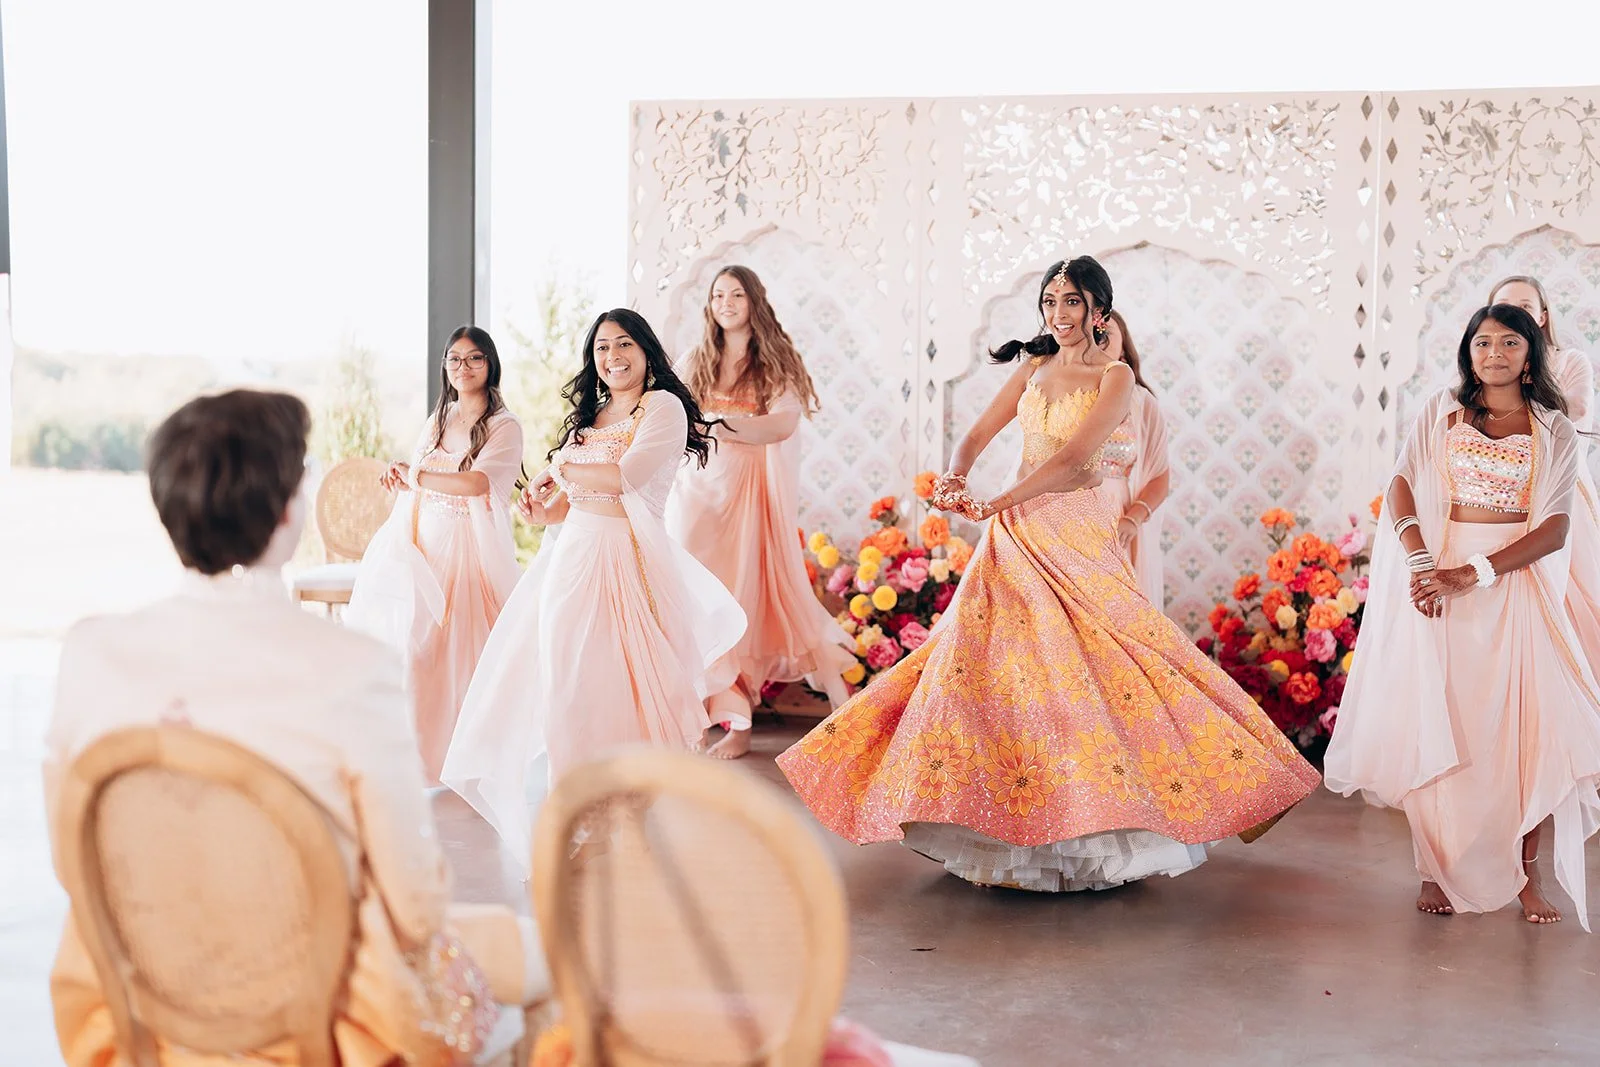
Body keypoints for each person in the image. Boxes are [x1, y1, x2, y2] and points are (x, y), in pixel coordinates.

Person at [777, 258, 1321, 891]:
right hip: (1015, 533)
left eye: (1073, 302)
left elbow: (1070, 461)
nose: (1059, 315)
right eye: (1051, 302)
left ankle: (1109, 820)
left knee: (1108, 666)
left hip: (1076, 531)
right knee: (992, 667)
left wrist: (997, 503)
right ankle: (994, 823)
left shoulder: (1117, 379)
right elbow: (978, 431)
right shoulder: (1034, 368)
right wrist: (957, 473)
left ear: (1100, 312)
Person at [44, 390, 546, 1067]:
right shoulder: (351, 665)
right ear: (288, 511)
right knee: (553, 958)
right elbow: (416, 902)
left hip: (147, 1002)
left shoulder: (91, 652)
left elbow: (72, 858)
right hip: (314, 1011)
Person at [1326, 303, 1600, 927]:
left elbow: (1556, 530)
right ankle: (1437, 870)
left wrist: (1472, 574)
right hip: (1439, 585)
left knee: (1524, 736)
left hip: (1515, 586)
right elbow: (1399, 483)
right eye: (1482, 342)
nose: (1494, 353)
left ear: (1531, 355)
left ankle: (1526, 878)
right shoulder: (1441, 411)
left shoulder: (1553, 428)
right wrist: (1424, 564)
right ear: (1467, 351)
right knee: (1440, 725)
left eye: (1509, 342)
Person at [441, 310, 745, 869]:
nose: (612, 357)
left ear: (646, 349)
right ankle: (577, 815)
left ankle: (630, 814)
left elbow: (625, 476)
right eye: (601, 348)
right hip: (570, 563)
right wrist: (541, 507)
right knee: (566, 691)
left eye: (623, 344)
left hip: (629, 565)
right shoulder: (592, 416)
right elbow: (564, 505)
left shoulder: (663, 407)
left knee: (617, 690)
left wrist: (561, 463)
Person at [669, 265, 856, 758]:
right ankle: (695, 715)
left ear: (754, 300)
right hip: (696, 495)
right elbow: (674, 415)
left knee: (740, 601)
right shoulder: (696, 358)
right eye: (717, 295)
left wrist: (726, 425)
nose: (725, 302)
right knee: (694, 600)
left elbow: (782, 425)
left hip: (746, 495)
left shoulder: (774, 361)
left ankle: (741, 722)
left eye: (735, 294)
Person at [346, 326, 524, 785]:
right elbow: (418, 474)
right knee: (420, 647)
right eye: (454, 359)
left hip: (469, 548)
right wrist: (400, 475)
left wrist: (418, 477)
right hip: (425, 545)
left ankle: (472, 759)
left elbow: (478, 483)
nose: (462, 368)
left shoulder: (505, 426)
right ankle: (425, 761)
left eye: (474, 359)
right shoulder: (439, 417)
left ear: (490, 364)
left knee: (464, 649)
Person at [1090, 309, 1170, 608]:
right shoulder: (1065, 397)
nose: (1097, 342)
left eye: (1105, 335)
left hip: (1116, 518)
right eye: (1091, 336)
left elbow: (1160, 477)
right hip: (1067, 514)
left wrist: (1132, 518)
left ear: (1124, 347)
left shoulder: (1141, 403)